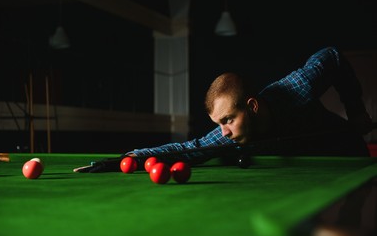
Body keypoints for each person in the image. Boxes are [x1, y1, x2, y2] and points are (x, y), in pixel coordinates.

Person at [75, 46, 373, 172]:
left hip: (346, 152)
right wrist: (126, 159)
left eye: (228, 120)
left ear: (252, 106)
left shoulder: (295, 89)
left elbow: (331, 56)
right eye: (219, 123)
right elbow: (188, 149)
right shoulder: (228, 133)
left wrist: (356, 111)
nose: (224, 132)